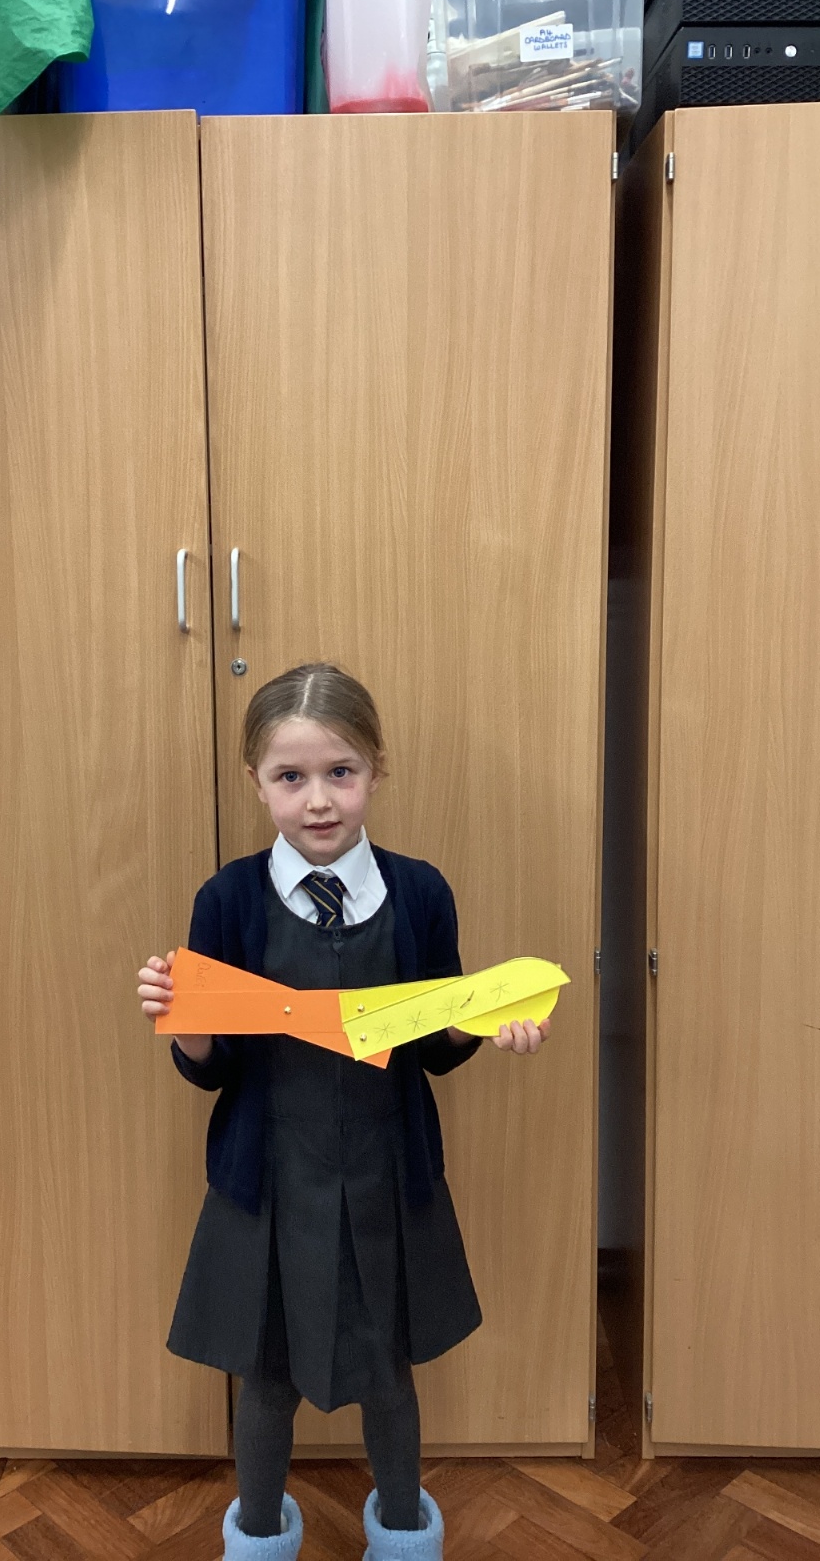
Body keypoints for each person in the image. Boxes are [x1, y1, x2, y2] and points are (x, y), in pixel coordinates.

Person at [139, 664, 552, 1561]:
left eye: (341, 772)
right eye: (291, 777)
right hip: (269, 1184)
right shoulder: (228, 900)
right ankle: (257, 1539)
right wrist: (190, 1030)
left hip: (383, 1179)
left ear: (376, 770)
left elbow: (433, 1044)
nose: (319, 799)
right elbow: (212, 1069)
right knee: (267, 1377)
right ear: (256, 782)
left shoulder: (421, 893)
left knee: (388, 1371)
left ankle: (403, 1537)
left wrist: (488, 1025)